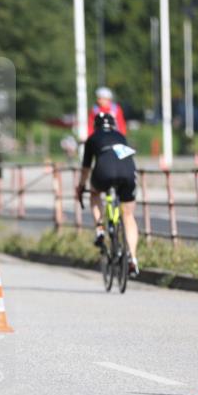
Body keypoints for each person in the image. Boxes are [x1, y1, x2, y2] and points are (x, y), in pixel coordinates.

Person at [75, 112, 140, 277]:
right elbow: (128, 158)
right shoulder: (120, 136)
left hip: (104, 172)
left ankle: (100, 228)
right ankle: (133, 258)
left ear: (96, 127)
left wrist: (81, 187)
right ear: (113, 126)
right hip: (128, 172)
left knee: (95, 193)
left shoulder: (92, 139)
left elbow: (85, 169)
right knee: (128, 215)